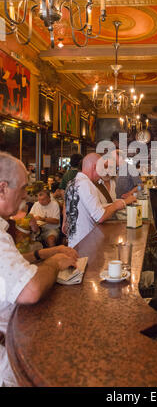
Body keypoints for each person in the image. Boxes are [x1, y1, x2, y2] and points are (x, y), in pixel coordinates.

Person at [0, 152, 78, 386]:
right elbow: (31, 290)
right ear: (2, 188)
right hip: (9, 358)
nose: (25, 196)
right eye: (22, 189)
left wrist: (41, 254)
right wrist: (54, 263)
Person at [63, 153, 136, 248]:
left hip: (73, 242)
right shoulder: (87, 184)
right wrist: (118, 204)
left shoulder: (72, 182)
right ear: (94, 167)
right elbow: (100, 216)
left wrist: (65, 222)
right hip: (86, 243)